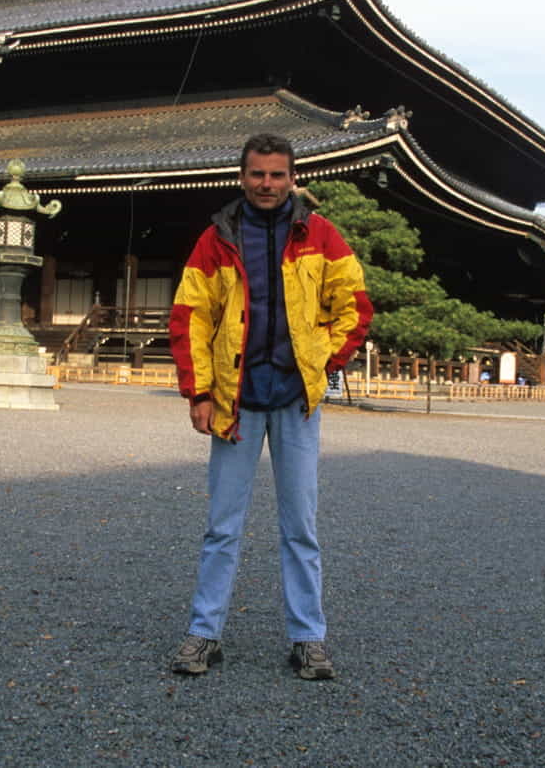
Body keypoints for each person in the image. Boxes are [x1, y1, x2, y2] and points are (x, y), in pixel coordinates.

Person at [167, 133, 372, 680]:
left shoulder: (321, 235)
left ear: (292, 177)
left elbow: (354, 305)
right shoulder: (217, 239)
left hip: (296, 400)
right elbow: (192, 316)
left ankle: (309, 637)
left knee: (300, 525)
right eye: (257, 174)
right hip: (235, 400)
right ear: (242, 176)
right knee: (222, 526)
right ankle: (203, 633)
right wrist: (201, 392)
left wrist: (320, 361)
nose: (267, 184)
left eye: (277, 174)